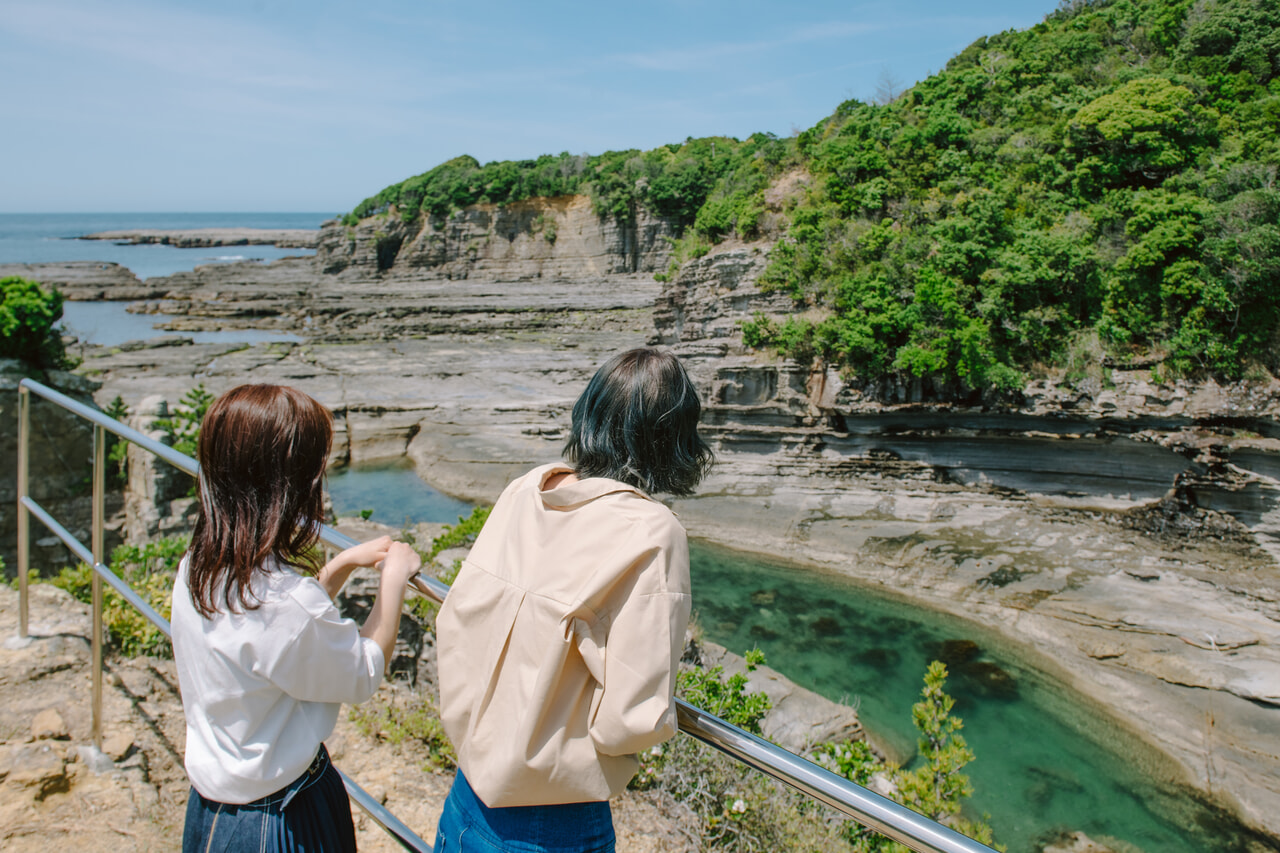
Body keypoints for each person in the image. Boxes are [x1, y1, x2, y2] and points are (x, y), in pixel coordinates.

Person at [433, 347, 714, 853]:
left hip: (465, 796)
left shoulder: (527, 489)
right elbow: (632, 717)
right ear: (674, 436)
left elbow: (459, 620)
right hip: (550, 821)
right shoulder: (652, 532)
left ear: (588, 412)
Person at [170, 383, 422, 853]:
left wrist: (340, 566)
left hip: (215, 808)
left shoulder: (199, 569)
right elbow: (361, 673)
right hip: (280, 817)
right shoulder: (284, 602)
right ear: (290, 487)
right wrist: (394, 582)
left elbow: (279, 641)